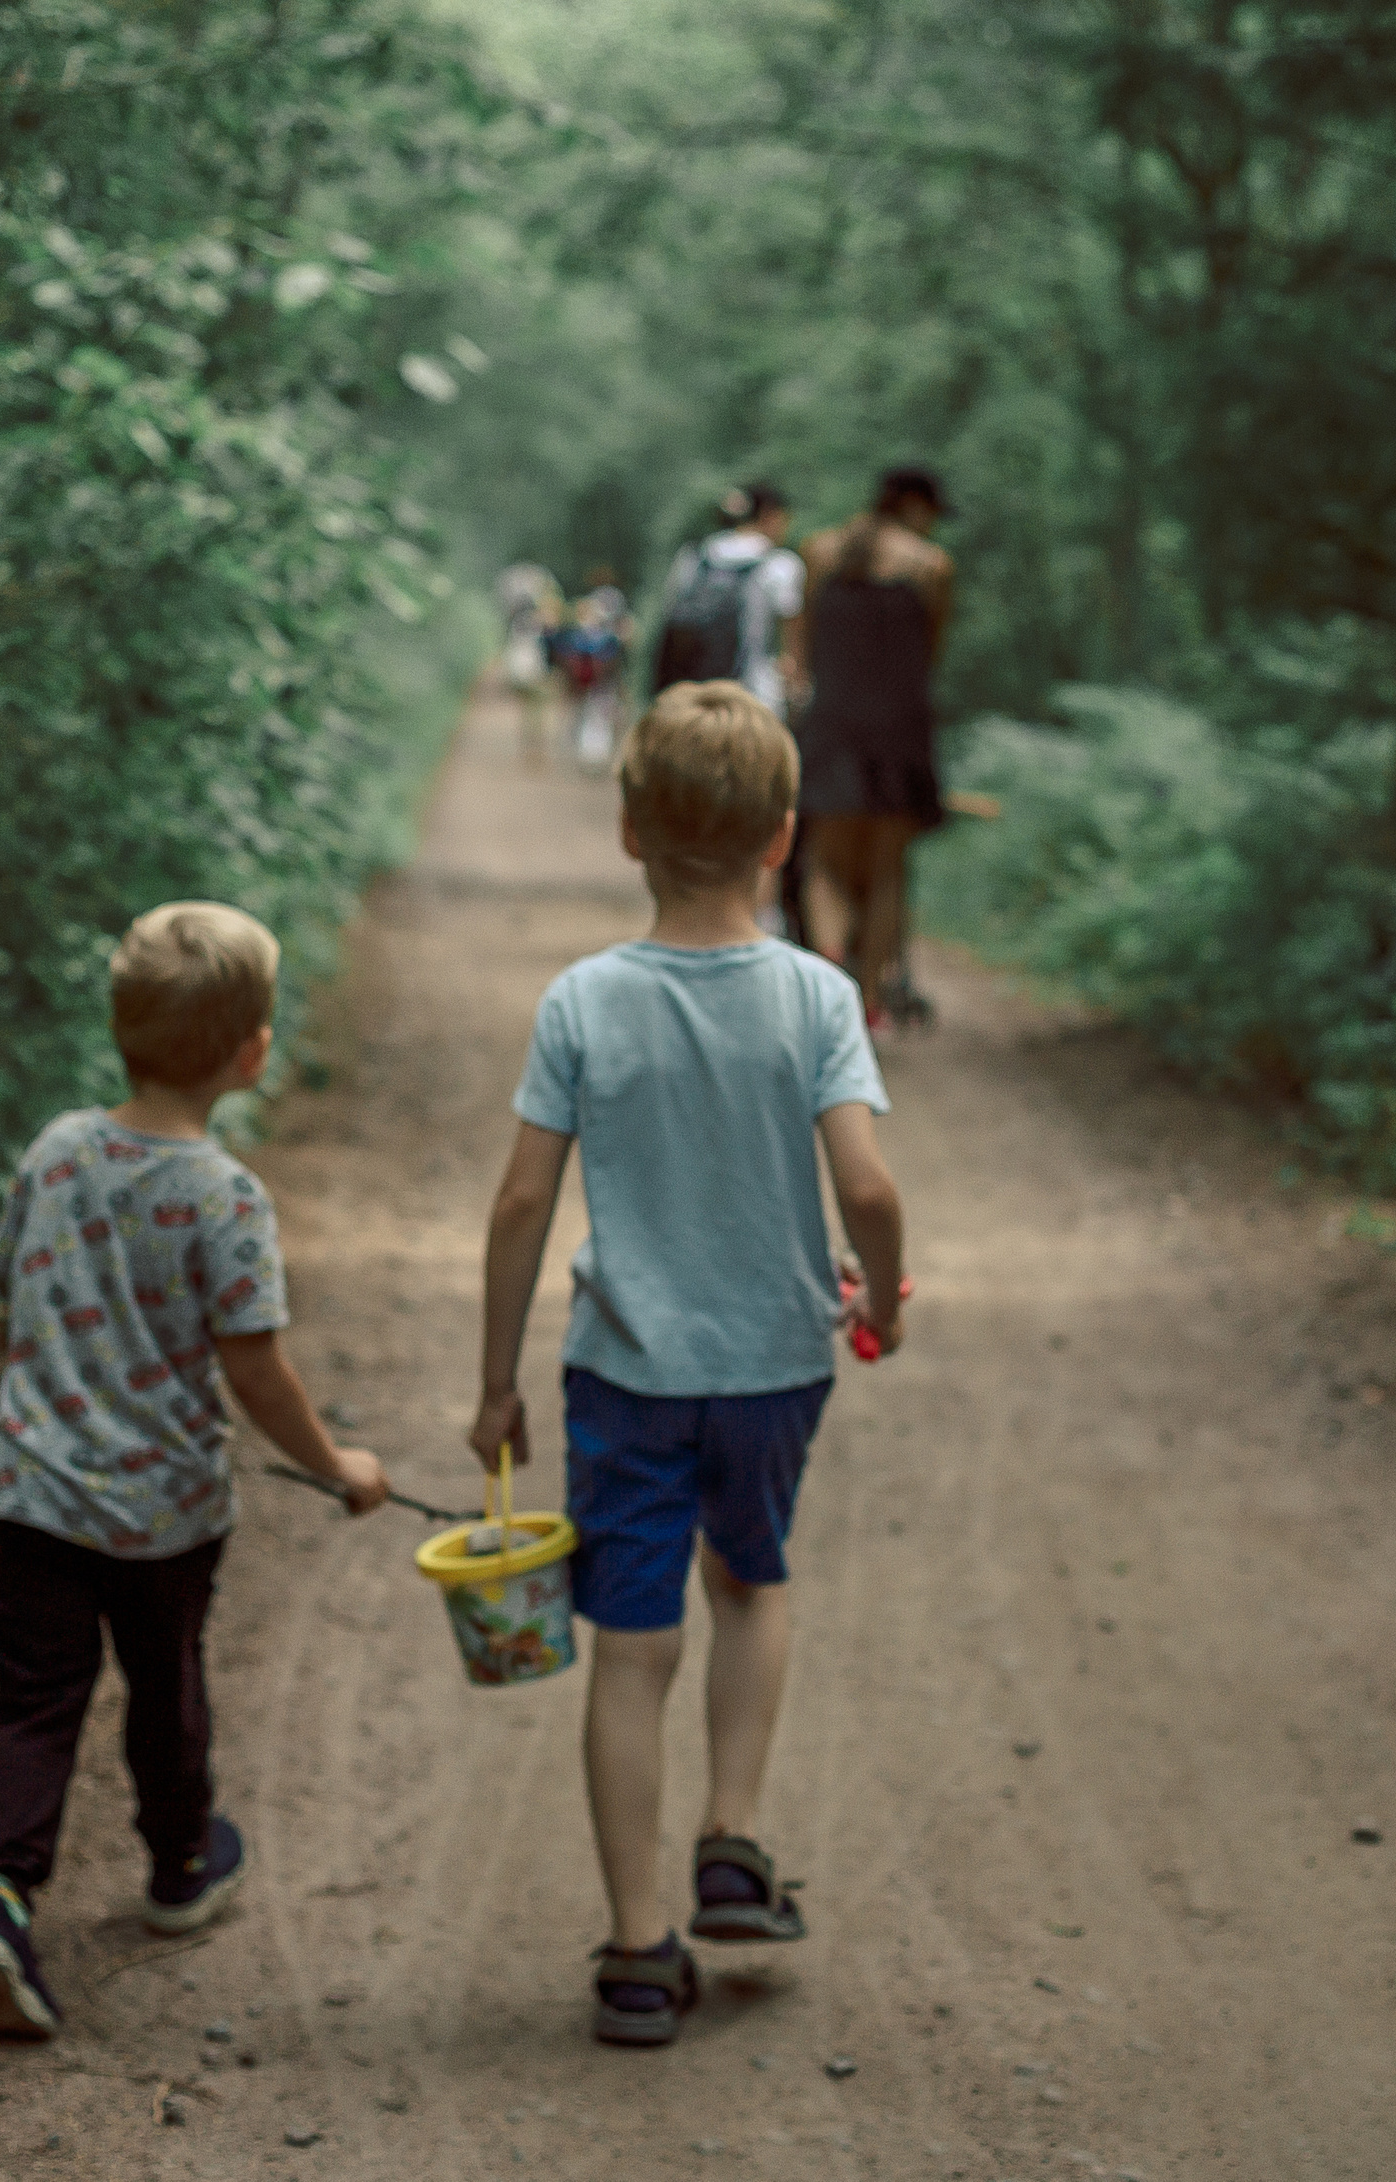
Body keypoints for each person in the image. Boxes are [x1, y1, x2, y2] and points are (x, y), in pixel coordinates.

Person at [467, 682, 908, 2047]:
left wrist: (495, 1383)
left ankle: (638, 1949)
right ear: (782, 838)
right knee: (752, 1578)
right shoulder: (817, 994)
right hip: (774, 1364)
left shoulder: (584, 1000)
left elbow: (522, 1203)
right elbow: (869, 1190)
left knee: (633, 1641)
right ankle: (733, 1836)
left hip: (625, 1375)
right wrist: (880, 1295)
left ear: (628, 831)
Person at [0, 902, 390, 2040]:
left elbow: (9, 1282)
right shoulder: (225, 1197)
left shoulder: (56, 1149)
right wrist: (336, 1464)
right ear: (250, 1052)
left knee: (33, 1699)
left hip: (29, 1500)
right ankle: (181, 1864)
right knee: (164, 1685)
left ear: (119, 1028)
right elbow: (256, 1370)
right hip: (162, 1519)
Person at [793, 466, 956, 1031]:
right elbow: (931, 654)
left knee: (823, 863)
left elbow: (803, 644)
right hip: (899, 733)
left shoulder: (819, 552)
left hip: (833, 724)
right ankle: (865, 1003)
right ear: (913, 506)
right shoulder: (932, 567)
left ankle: (830, 974)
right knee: (888, 869)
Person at [651, 485, 806, 717]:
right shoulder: (779, 564)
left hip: (692, 694)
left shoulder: (694, 556)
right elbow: (792, 644)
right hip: (752, 693)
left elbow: (672, 616)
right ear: (770, 514)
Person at [550, 587, 630, 775]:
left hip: (598, 687)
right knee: (588, 721)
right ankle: (590, 759)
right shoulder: (587, 637)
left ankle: (595, 760)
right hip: (588, 687)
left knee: (598, 722)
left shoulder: (604, 638)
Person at [497, 563, 564, 773]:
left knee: (531, 711)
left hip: (527, 672)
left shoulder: (518, 621)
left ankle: (531, 750)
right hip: (536, 672)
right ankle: (535, 750)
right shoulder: (537, 620)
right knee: (538, 711)